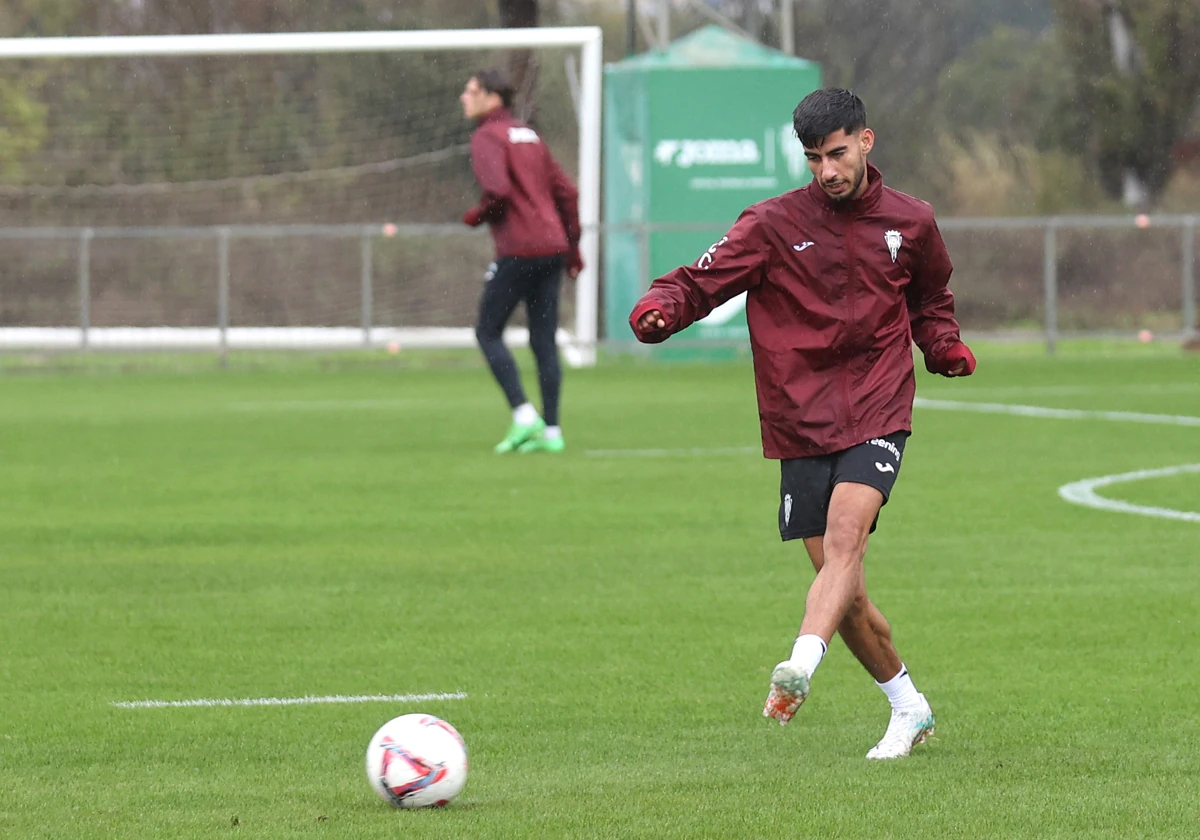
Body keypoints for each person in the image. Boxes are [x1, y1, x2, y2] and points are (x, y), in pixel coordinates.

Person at [628, 88, 976, 759]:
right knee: (843, 595)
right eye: (814, 158)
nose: (827, 170)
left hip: (878, 405)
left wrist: (942, 346)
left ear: (866, 141)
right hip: (800, 417)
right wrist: (663, 306)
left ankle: (798, 667)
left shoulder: (913, 221)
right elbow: (701, 280)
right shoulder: (771, 224)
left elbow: (932, 300)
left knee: (848, 539)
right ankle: (910, 708)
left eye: (838, 153)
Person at [460, 69, 583, 454]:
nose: (464, 97)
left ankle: (524, 416)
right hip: (553, 247)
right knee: (543, 340)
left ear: (492, 97)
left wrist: (476, 215)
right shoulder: (528, 134)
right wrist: (574, 248)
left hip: (520, 248)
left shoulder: (487, 135)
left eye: (471, 91)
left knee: (487, 331)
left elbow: (497, 190)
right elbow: (568, 192)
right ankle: (552, 432)